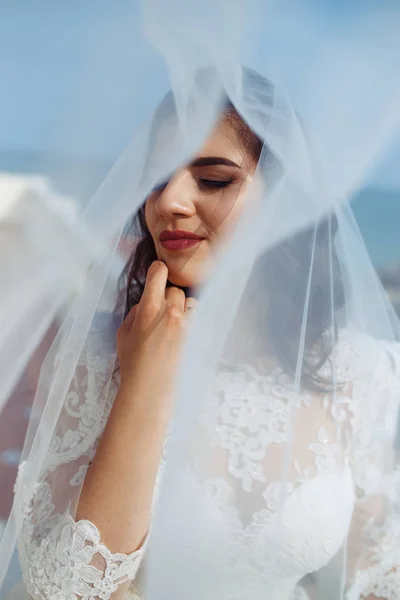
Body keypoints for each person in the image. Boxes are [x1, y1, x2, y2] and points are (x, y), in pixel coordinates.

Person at [8, 68, 400, 600]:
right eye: (155, 179)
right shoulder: (97, 360)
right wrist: (144, 384)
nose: (168, 200)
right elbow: (67, 591)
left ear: (288, 203)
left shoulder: (361, 373)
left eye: (213, 179)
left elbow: (383, 575)